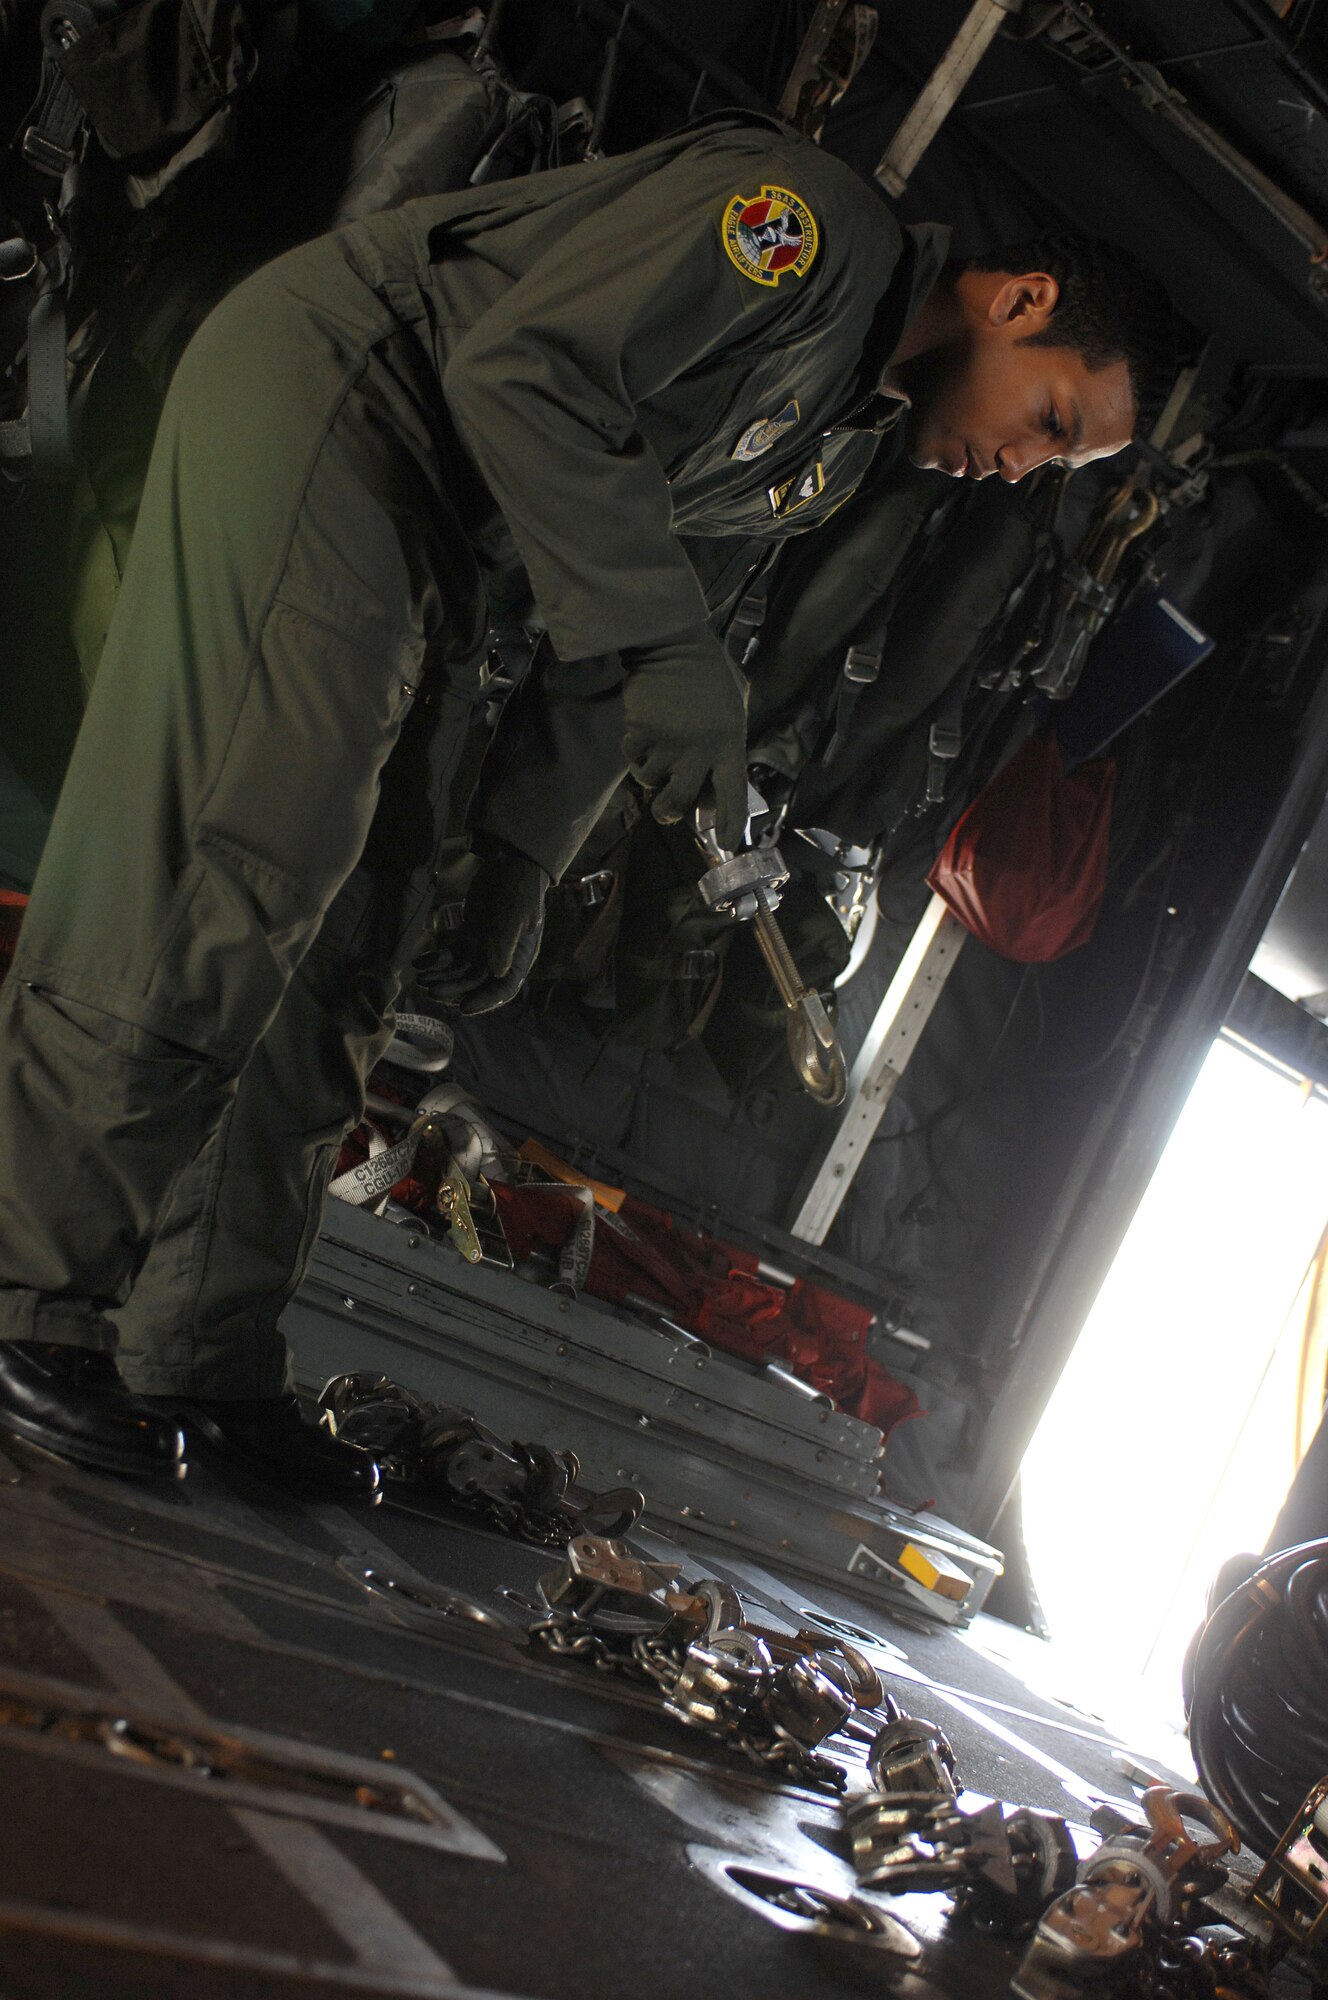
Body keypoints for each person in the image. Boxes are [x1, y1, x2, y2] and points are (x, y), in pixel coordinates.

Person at [0, 112, 1171, 1494]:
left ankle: (191, 1350)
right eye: (1051, 424)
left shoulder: (831, 451)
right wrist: (673, 661)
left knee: (364, 932)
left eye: (1062, 469)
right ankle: (32, 1297)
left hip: (437, 521)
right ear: (1020, 302)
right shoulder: (808, 235)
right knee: (237, 866)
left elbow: (634, 630)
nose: (1026, 468)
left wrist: (516, 849)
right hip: (347, 394)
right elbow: (523, 373)